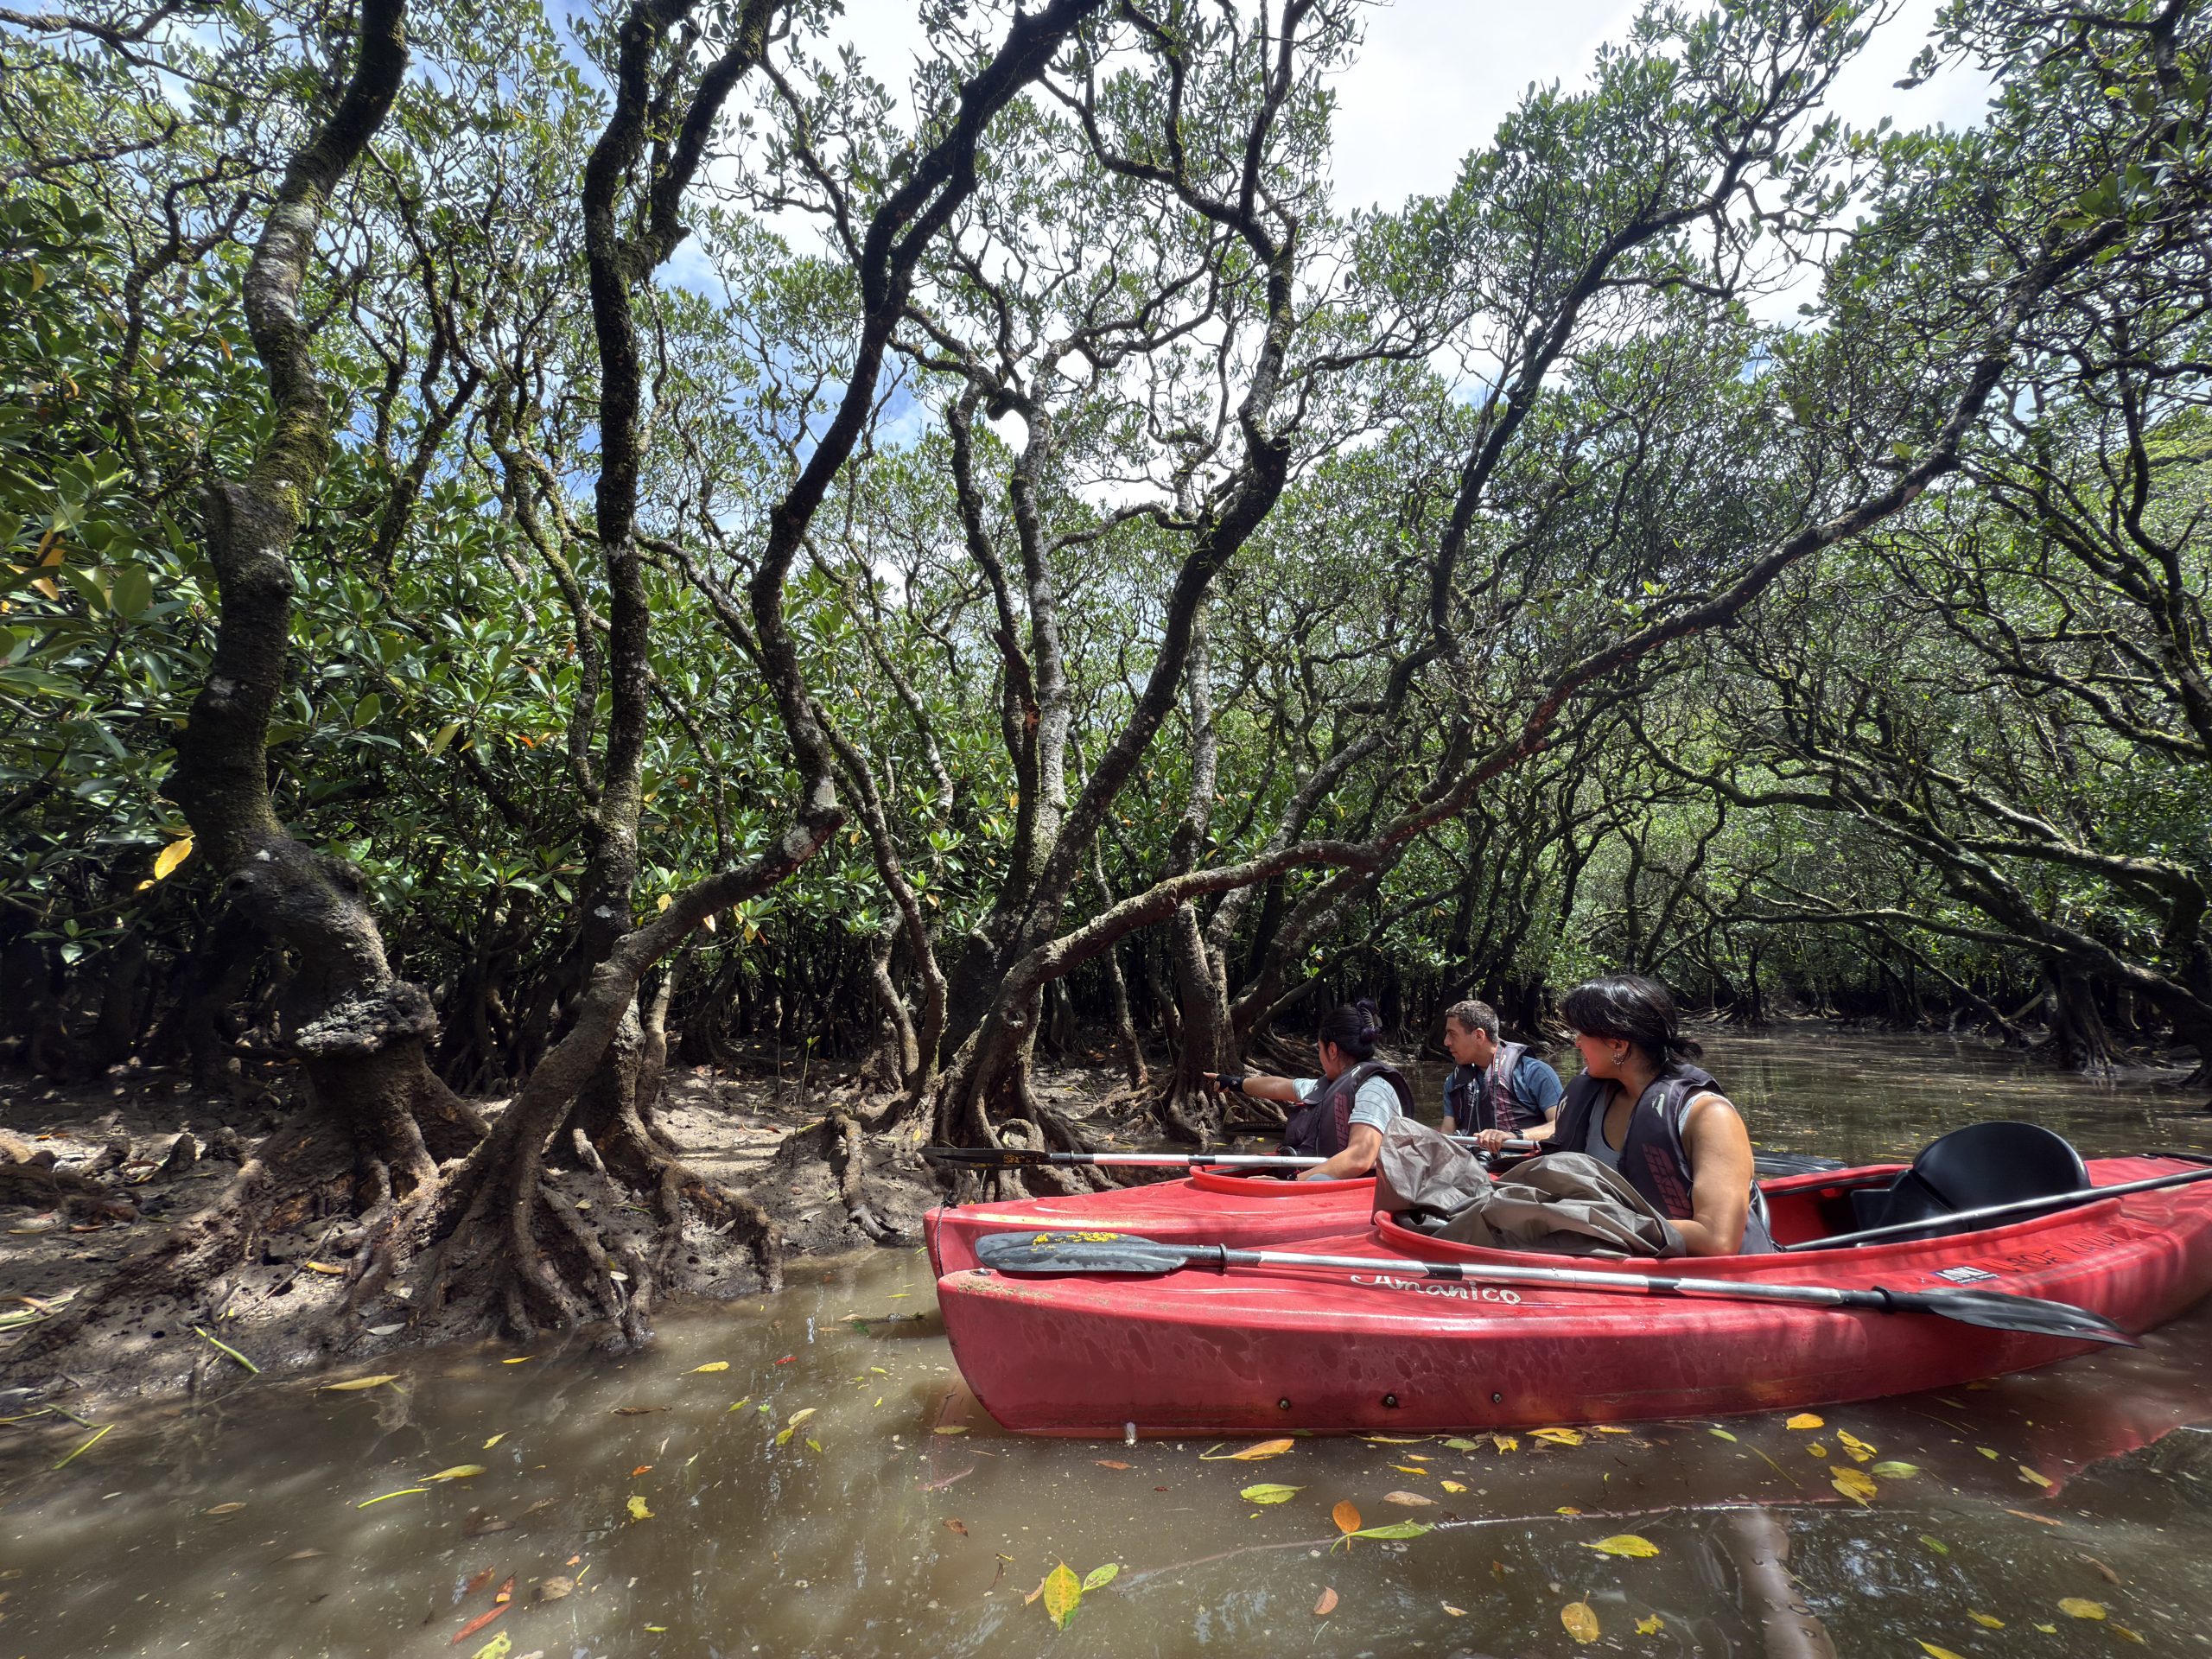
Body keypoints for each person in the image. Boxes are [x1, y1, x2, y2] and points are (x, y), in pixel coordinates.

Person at [1542, 974, 1773, 1255]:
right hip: (1609, 1257)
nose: (1576, 1043)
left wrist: (1591, 1221)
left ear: (1618, 1044)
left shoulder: (1709, 1115)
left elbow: (1717, 1240)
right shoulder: (1592, 1099)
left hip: (1701, 1281)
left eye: (1582, 1034)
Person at [1204, 999, 1414, 1180]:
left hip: (1356, 1186)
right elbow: (1277, 1086)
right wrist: (1233, 1083)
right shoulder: (1325, 1086)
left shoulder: (1374, 1089)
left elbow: (1360, 1157)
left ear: (1332, 1050)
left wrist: (1293, 1182)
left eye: (1319, 1048)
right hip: (1316, 1180)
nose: (1319, 1056)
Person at [1440, 998, 1564, 1154]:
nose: (1446, 1042)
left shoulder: (1535, 1073)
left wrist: (1513, 1136)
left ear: (1479, 1036)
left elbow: (1560, 1127)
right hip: (1473, 1169)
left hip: (1526, 1167)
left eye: (1452, 1034)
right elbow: (1447, 1133)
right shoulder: (1453, 1082)